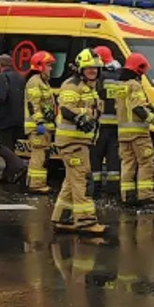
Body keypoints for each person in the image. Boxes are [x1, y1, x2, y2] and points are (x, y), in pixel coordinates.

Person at [52, 50, 107, 235]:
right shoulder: (72, 85)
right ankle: (86, 221)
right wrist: (80, 118)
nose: (93, 71)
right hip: (72, 142)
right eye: (89, 68)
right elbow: (67, 109)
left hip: (79, 142)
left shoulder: (89, 87)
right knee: (83, 180)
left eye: (95, 68)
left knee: (71, 180)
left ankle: (62, 217)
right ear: (81, 68)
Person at [118, 53, 154, 207]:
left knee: (128, 163)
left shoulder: (121, 85)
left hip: (123, 133)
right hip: (138, 133)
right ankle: (145, 195)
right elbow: (137, 107)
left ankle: (127, 196)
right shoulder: (134, 85)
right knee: (146, 162)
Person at [23, 51, 57, 195]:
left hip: (43, 125)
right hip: (37, 127)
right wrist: (39, 122)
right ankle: (37, 185)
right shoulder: (35, 81)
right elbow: (33, 104)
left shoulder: (43, 81)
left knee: (39, 155)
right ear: (40, 66)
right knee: (39, 156)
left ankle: (32, 182)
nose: (51, 68)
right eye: (49, 65)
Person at [0, 53, 26, 184]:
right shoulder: (20, 77)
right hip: (18, 117)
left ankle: (19, 165)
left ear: (0, 65)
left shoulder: (1, 77)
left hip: (4, 117)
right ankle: (7, 176)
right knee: (10, 146)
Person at [93, 46, 123, 199]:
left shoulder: (98, 77)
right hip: (117, 124)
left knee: (96, 156)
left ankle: (95, 188)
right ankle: (113, 188)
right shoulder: (120, 75)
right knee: (113, 158)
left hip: (100, 124)